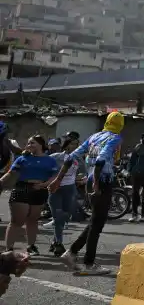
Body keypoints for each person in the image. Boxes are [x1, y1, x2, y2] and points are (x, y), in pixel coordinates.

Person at [49, 111, 124, 275]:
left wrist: (57, 180)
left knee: (95, 221)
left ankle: (72, 253)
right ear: (120, 125)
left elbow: (71, 157)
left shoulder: (94, 137)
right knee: (97, 223)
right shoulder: (115, 138)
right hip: (102, 181)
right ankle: (89, 264)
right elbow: (101, 160)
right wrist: (97, 185)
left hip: (90, 180)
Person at [1, 135, 58, 256]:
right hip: (22, 189)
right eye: (28, 143)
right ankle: (9, 249)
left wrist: (44, 185)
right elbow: (11, 173)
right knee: (17, 221)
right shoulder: (22, 158)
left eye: (32, 143)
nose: (29, 145)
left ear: (41, 145)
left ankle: (31, 246)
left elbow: (54, 176)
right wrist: (0, 181)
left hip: (40, 191)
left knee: (32, 220)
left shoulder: (50, 160)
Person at [48, 135, 80, 256]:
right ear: (66, 145)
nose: (75, 146)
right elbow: (45, 165)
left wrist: (80, 179)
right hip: (56, 189)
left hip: (70, 189)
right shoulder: (56, 157)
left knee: (65, 216)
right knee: (58, 216)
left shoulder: (78, 158)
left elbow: (81, 171)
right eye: (72, 143)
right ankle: (59, 244)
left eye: (77, 144)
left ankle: (55, 241)